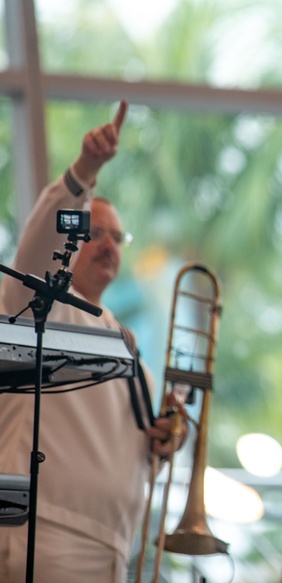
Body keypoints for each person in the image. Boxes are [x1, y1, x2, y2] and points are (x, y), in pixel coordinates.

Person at [0, 100, 185, 582]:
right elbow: (38, 250)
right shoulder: (36, 303)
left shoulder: (126, 346)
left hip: (111, 550)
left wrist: (163, 442)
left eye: (118, 238)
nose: (108, 244)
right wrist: (85, 172)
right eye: (94, 231)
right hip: (40, 536)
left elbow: (128, 460)